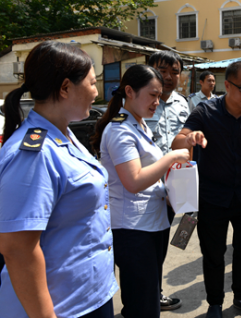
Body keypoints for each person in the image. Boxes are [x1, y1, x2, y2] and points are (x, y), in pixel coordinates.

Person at [0, 41, 118, 317]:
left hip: (88, 294)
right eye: (91, 83)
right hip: (60, 307)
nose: (96, 92)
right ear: (65, 88)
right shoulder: (33, 154)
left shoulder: (63, 133)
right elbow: (18, 249)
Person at [172, 61, 241, 318]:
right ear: (227, 85)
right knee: (213, 253)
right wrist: (190, 139)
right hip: (211, 197)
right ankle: (214, 303)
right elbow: (177, 141)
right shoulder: (205, 112)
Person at [91, 65, 190, 318]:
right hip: (133, 230)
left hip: (151, 224)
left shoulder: (140, 125)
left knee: (146, 299)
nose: (157, 101)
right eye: (152, 95)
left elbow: (150, 175)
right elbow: (133, 181)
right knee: (142, 306)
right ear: (129, 92)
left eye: (160, 96)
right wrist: (170, 158)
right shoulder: (119, 130)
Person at [146, 50, 189, 311]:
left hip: (173, 188)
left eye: (175, 71)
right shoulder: (138, 102)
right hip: (143, 187)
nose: (170, 76)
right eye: (163, 70)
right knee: (144, 246)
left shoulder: (183, 104)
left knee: (161, 243)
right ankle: (142, 297)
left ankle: (154, 292)